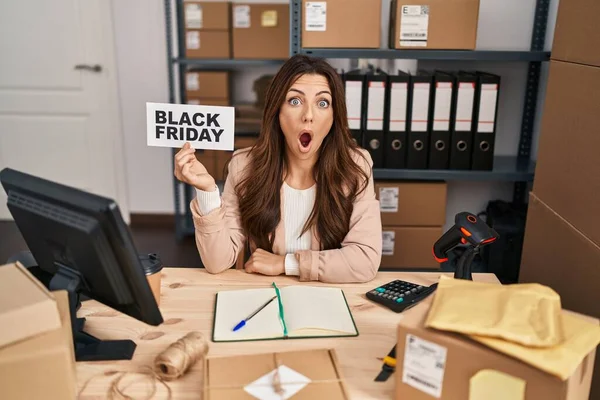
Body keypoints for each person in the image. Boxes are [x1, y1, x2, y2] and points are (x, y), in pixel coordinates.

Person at [174, 54, 382, 283]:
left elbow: (365, 260)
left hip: (329, 295)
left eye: (323, 103)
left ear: (334, 116)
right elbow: (217, 262)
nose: (309, 116)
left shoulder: (355, 167)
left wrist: (286, 263)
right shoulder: (244, 167)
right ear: (277, 111)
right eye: (295, 101)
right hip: (266, 293)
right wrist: (206, 191)